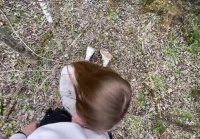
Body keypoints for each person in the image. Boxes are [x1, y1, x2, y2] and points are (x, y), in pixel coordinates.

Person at [10, 61, 132, 139]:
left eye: (77, 100)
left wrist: (22, 134)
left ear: (82, 117)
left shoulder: (47, 132)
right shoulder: (103, 130)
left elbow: (30, 129)